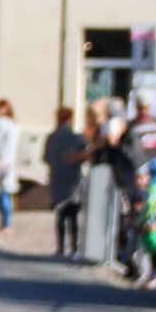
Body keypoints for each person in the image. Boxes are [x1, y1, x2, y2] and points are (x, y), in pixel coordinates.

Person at [43, 107, 87, 258]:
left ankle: (60, 247)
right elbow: (85, 156)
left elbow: (46, 158)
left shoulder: (51, 137)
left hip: (57, 178)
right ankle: (74, 247)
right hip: (73, 179)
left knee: (60, 213)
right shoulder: (77, 137)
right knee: (73, 215)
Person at [0, 98, 22, 234]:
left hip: (0, 162)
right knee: (6, 193)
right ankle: (6, 224)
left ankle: (3, 224)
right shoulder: (14, 124)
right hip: (10, 162)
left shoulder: (1, 123)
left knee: (2, 193)